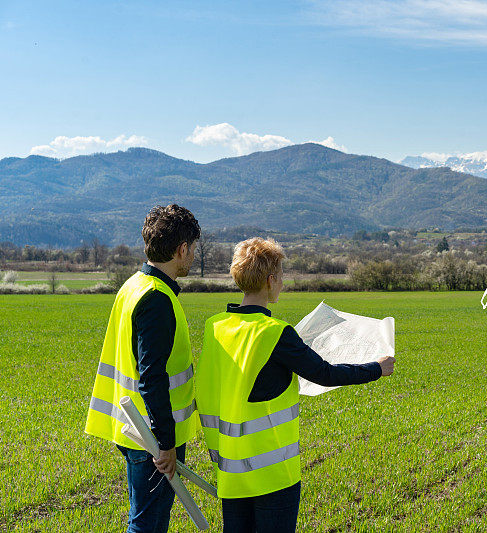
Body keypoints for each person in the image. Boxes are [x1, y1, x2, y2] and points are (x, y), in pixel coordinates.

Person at [195, 237, 395, 533]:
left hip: (231, 470)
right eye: (282, 277)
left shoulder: (216, 326)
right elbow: (325, 374)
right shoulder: (276, 333)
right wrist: (376, 369)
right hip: (273, 474)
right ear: (270, 280)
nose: (283, 284)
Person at [85, 204, 201, 533]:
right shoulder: (157, 299)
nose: (193, 256)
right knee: (147, 525)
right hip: (151, 438)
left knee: (143, 518)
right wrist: (165, 444)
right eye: (192, 249)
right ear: (182, 250)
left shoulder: (134, 285)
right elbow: (152, 378)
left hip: (132, 427)